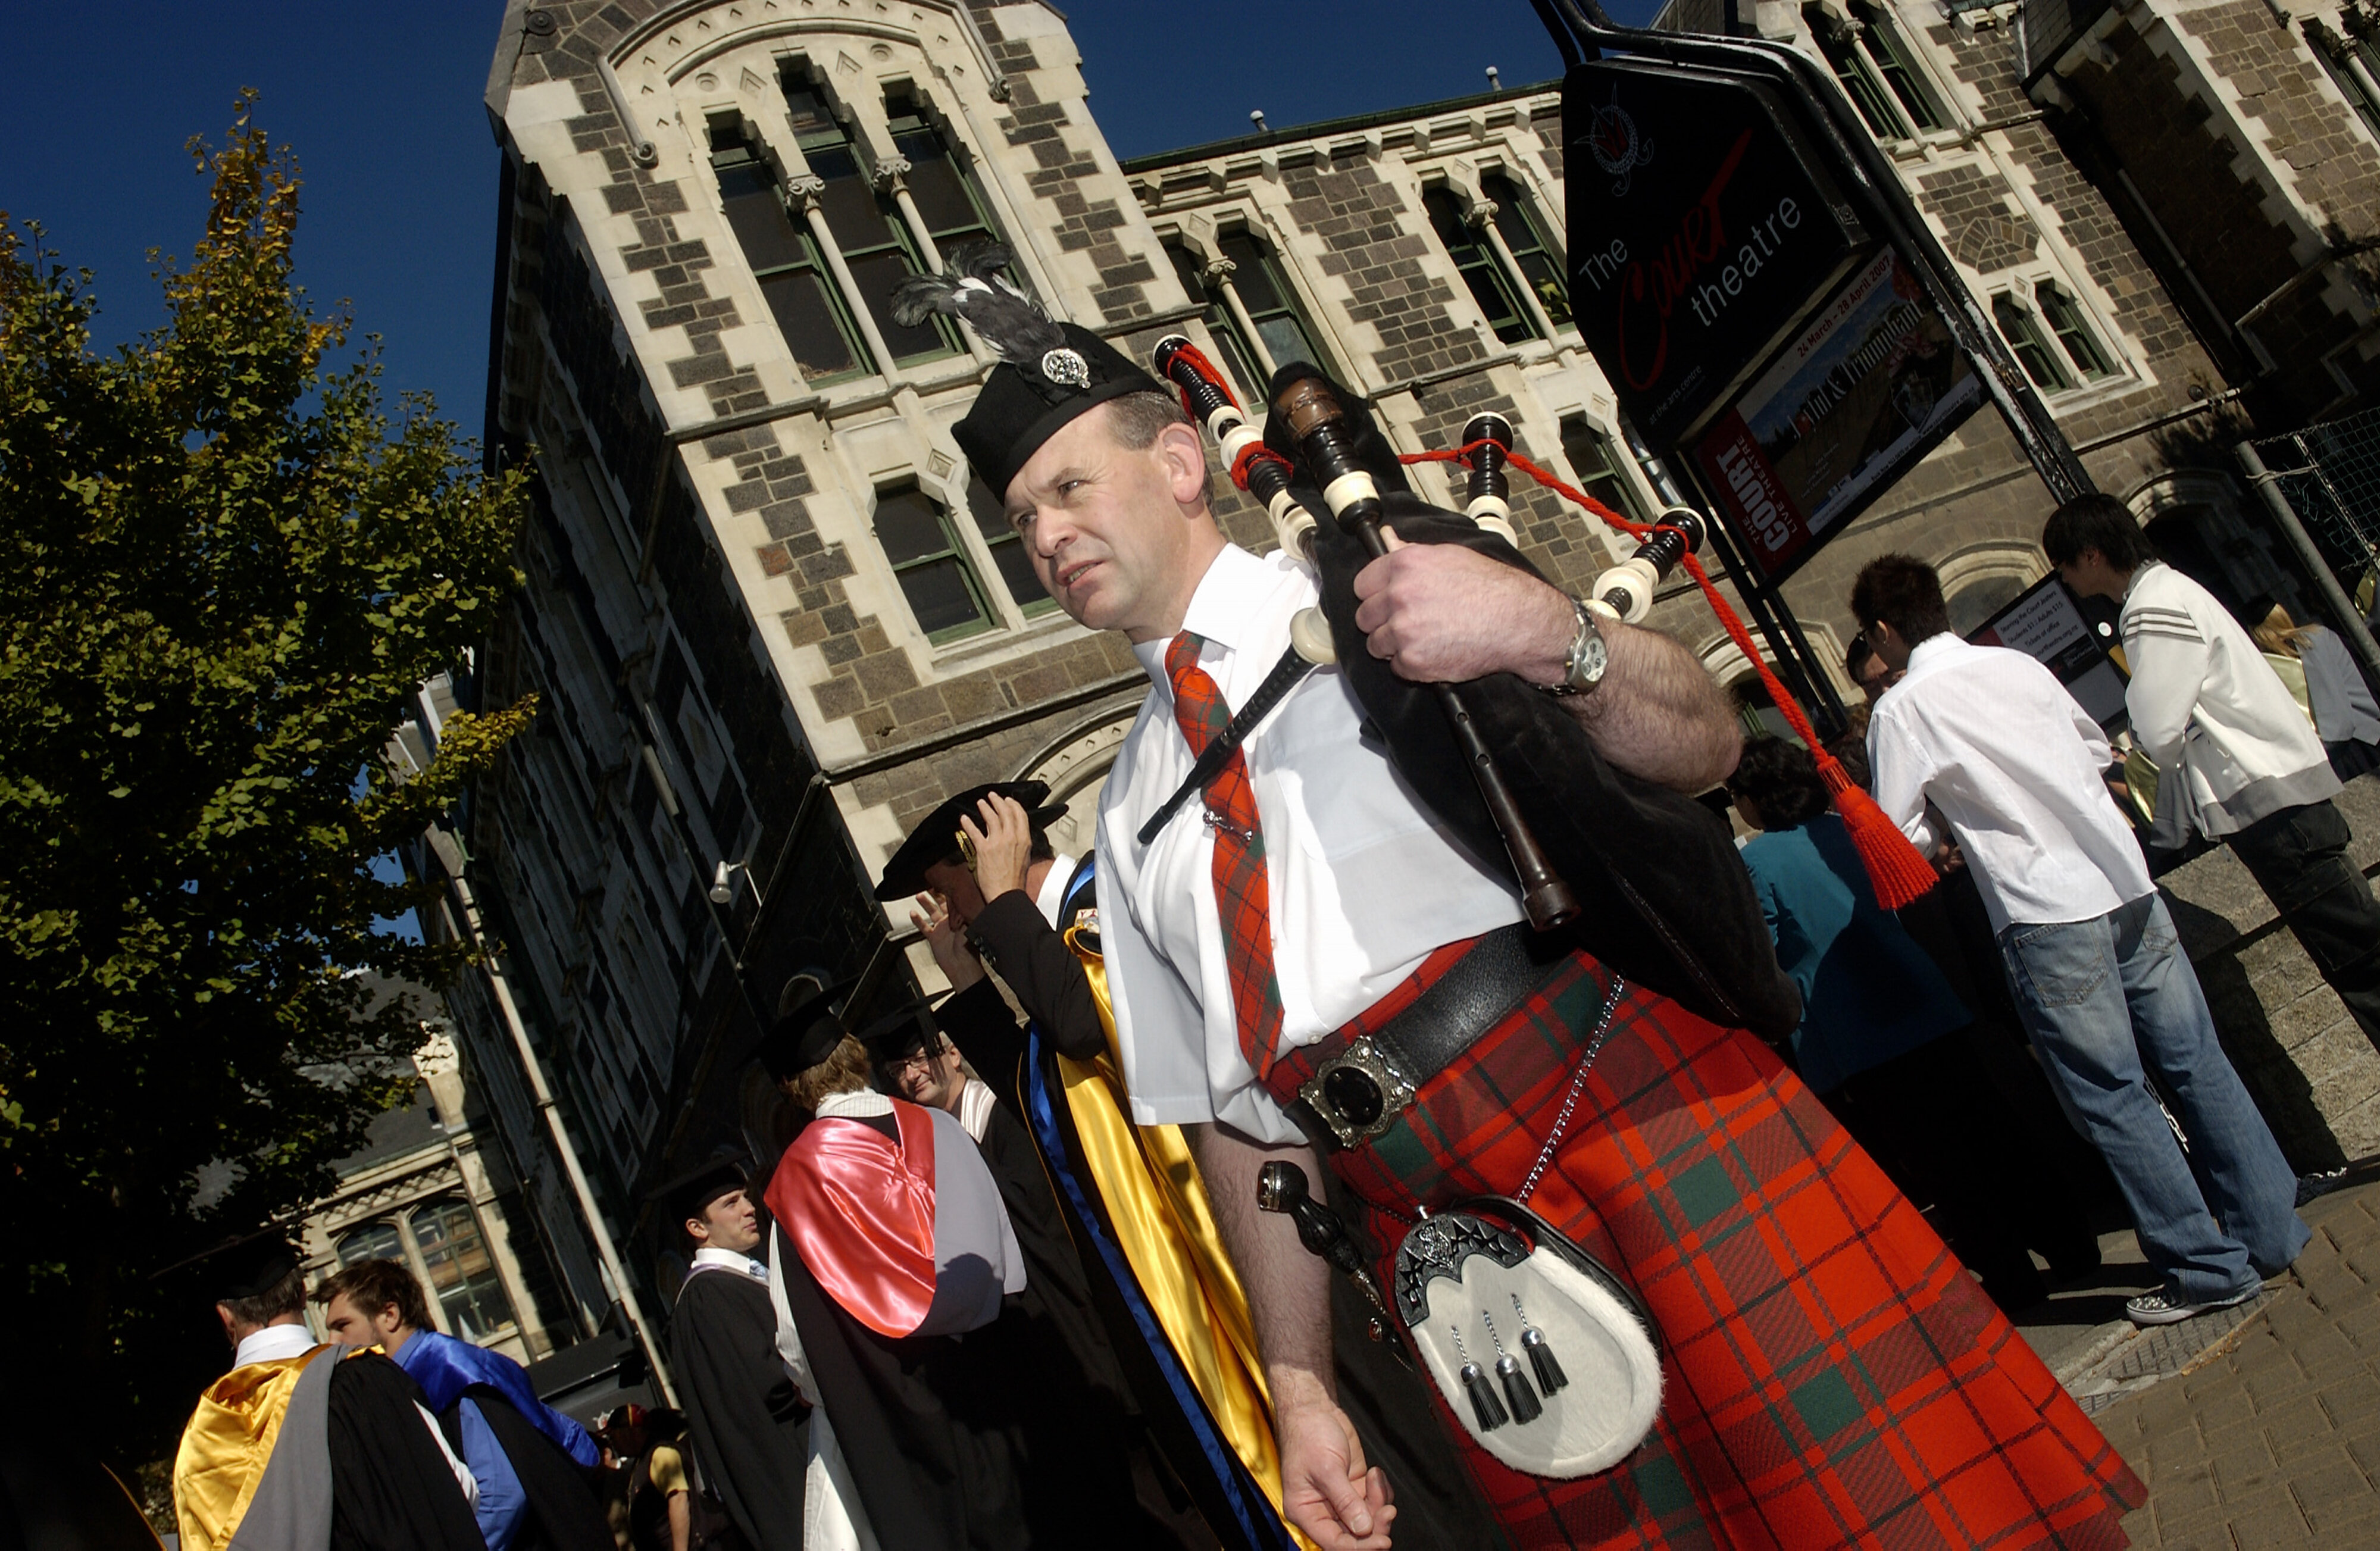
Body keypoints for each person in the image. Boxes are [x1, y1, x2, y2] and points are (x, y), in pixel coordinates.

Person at [907, 270, 2145, 1549]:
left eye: (1066, 488)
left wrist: (1557, 634)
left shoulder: (1369, 578)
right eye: (1017, 521)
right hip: (1433, 1248)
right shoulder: (1126, 812)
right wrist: (1301, 1384)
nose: (1044, 536)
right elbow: (1238, 1121)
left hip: (1635, 1107)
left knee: (1905, 1517)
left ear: (1177, 461)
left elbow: (1705, 742)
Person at [1855, 552, 2309, 1325]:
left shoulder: (1900, 710)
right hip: (2123, 883)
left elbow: (1896, 833)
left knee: (2110, 1095)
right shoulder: (2016, 667)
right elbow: (2096, 749)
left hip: (2042, 907)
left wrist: (1948, 825)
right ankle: (2269, 1229)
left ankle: (2202, 1266)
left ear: (1882, 630)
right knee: (2194, 1062)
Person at [1728, 736, 2100, 1312]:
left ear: (1756, 796)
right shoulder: (1853, 825)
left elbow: (1767, 951)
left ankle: (2014, 1283)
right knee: (1996, 1133)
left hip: (1861, 1036)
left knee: (1946, 1168)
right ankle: (2073, 1245)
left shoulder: (1757, 862)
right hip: (1926, 1001)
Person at [2047, 498, 2380, 1061]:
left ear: (2090, 554)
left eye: (2063, 565)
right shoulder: (2174, 590)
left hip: (2272, 813)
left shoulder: (2149, 607)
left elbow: (2154, 726)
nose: (2062, 578)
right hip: (2287, 802)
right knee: (2363, 956)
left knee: (2363, 969)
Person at [756, 986, 1042, 1550]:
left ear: (794, 1090)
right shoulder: (940, 1127)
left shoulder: (794, 1186)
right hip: (999, 1389)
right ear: (855, 1055)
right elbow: (1006, 1263)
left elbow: (795, 1342)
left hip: (902, 1422)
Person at [170, 1233, 484, 1551]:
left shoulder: (203, 1436)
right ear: (303, 1294)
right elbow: (458, 1490)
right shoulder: (364, 1380)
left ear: (225, 1317)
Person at [315, 1259, 611, 1551]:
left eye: (343, 1326)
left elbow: (502, 1497)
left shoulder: (447, 1372)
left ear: (390, 1315)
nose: (332, 1342)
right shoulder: (419, 1376)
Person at [659, 1160, 805, 1551]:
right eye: (730, 1202)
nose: (749, 1208)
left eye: (744, 1197)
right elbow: (770, 1382)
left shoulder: (731, 1285)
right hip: (790, 1469)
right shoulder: (710, 1297)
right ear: (697, 1228)